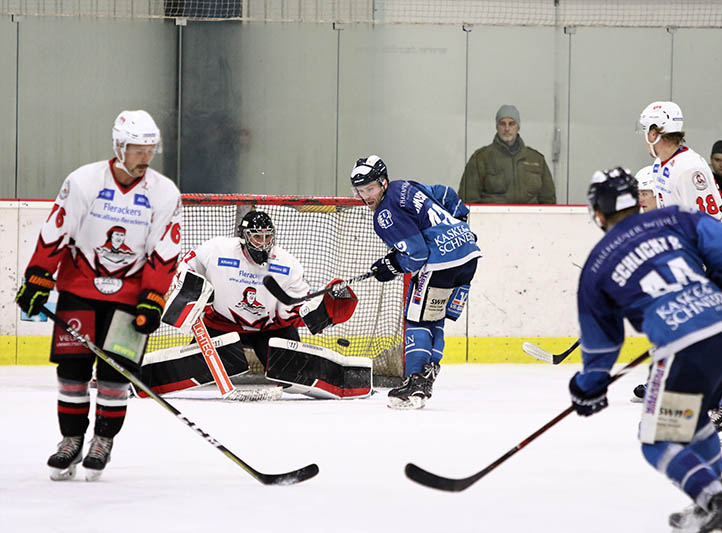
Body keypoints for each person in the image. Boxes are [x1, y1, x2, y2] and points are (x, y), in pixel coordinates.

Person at [569, 167, 722, 532]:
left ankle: (717, 501)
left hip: (683, 350)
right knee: (695, 420)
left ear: (598, 213)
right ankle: (712, 501)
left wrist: (589, 386)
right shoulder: (673, 218)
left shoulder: (597, 265)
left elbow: (602, 345)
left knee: (657, 440)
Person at [15, 110, 183, 481]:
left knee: (115, 374)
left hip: (130, 297)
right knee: (72, 372)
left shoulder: (164, 192)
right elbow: (57, 230)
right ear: (119, 146)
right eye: (138, 149)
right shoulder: (84, 181)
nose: (145, 157)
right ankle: (71, 440)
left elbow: (164, 253)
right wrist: (38, 277)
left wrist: (153, 298)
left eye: (150, 149)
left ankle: (102, 441)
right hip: (80, 290)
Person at [141, 209, 361, 397]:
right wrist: (193, 288)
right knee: (193, 365)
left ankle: (346, 381)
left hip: (269, 329)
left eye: (267, 237)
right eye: (257, 237)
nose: (263, 244)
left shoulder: (286, 263)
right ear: (244, 237)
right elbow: (187, 265)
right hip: (222, 323)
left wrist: (320, 311)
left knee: (292, 376)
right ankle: (141, 377)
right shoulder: (218, 250)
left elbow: (300, 302)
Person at [635, 102, 722, 445]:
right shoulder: (661, 165)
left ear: (656, 132)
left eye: (646, 131)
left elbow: (718, 221)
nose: (644, 138)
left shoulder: (689, 168)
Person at [351, 155, 481, 409]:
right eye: (361, 190)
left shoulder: (384, 215)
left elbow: (417, 255)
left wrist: (391, 266)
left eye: (371, 188)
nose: (366, 195)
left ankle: (415, 381)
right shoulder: (404, 186)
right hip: (468, 253)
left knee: (416, 319)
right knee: (434, 315)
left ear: (383, 182)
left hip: (441, 262)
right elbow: (445, 194)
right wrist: (460, 225)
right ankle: (429, 370)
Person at [458, 105, 556, 204]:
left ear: (518, 127)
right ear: (497, 127)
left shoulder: (536, 159)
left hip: (530, 218)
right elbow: (467, 199)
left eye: (511, 124)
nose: (507, 128)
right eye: (502, 124)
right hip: (492, 218)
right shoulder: (480, 159)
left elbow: (548, 200)